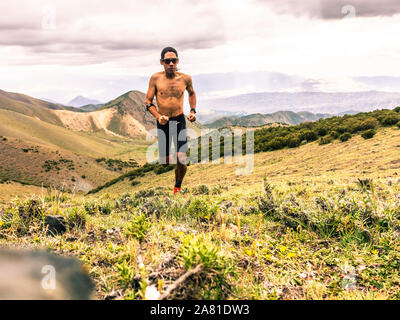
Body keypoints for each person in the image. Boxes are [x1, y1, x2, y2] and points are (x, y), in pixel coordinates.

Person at [145, 47, 197, 194]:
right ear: (162, 62)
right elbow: (148, 101)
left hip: (179, 120)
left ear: (178, 61)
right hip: (163, 122)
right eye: (168, 61)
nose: (171, 64)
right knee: (164, 162)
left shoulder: (185, 78)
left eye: (174, 60)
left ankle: (177, 187)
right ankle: (177, 155)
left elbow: (192, 93)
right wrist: (158, 116)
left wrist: (192, 111)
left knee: (181, 158)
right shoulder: (155, 78)